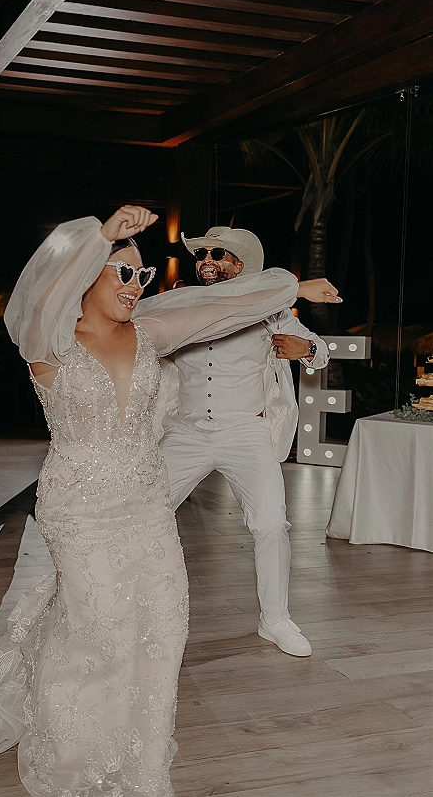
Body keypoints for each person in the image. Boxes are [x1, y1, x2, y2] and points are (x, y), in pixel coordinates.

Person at [0, 207, 339, 796]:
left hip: (146, 501)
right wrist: (99, 236)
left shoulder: (150, 331)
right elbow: (34, 300)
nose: (137, 287)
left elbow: (218, 309)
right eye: (122, 274)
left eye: (143, 276)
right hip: (79, 508)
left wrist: (291, 286)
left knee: (162, 623)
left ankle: (140, 754)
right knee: (98, 628)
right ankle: (72, 752)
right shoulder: (49, 341)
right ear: (85, 276)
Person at [158, 225, 336, 658]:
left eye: (218, 254)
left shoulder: (269, 311)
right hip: (185, 431)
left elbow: (319, 349)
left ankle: (274, 620)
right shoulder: (182, 306)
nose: (207, 262)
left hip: (245, 430)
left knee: (271, 524)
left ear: (241, 266)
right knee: (142, 509)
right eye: (203, 255)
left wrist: (306, 350)